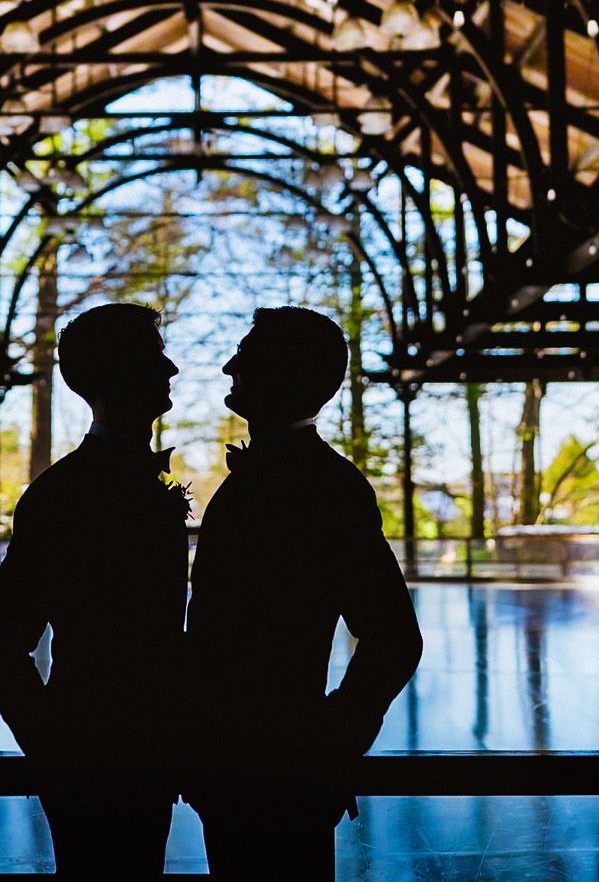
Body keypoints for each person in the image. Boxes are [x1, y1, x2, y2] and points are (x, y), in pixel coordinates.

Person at [186, 306, 423, 879]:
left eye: (245, 354)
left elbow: (394, 638)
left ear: (283, 373)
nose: (228, 366)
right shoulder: (318, 480)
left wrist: (326, 748)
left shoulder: (323, 487)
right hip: (255, 766)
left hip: (269, 769)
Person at [0, 302, 189, 876]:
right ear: (121, 373)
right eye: (155, 357)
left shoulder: (78, 487)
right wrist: (61, 758)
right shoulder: (65, 495)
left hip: (134, 752)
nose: (172, 370)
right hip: (104, 757)